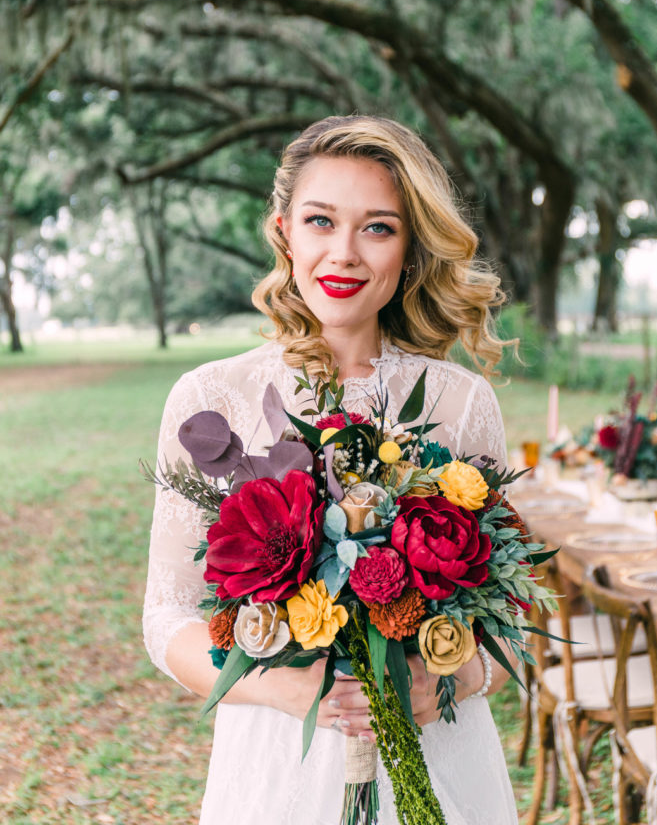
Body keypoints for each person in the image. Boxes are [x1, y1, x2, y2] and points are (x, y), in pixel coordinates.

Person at [143, 115, 519, 825]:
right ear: (284, 229)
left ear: (408, 248)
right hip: (279, 754)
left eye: (377, 227)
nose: (343, 254)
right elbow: (166, 614)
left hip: (436, 751)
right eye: (321, 221)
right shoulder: (208, 400)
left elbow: (510, 622)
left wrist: (448, 679)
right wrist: (278, 686)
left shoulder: (460, 402)